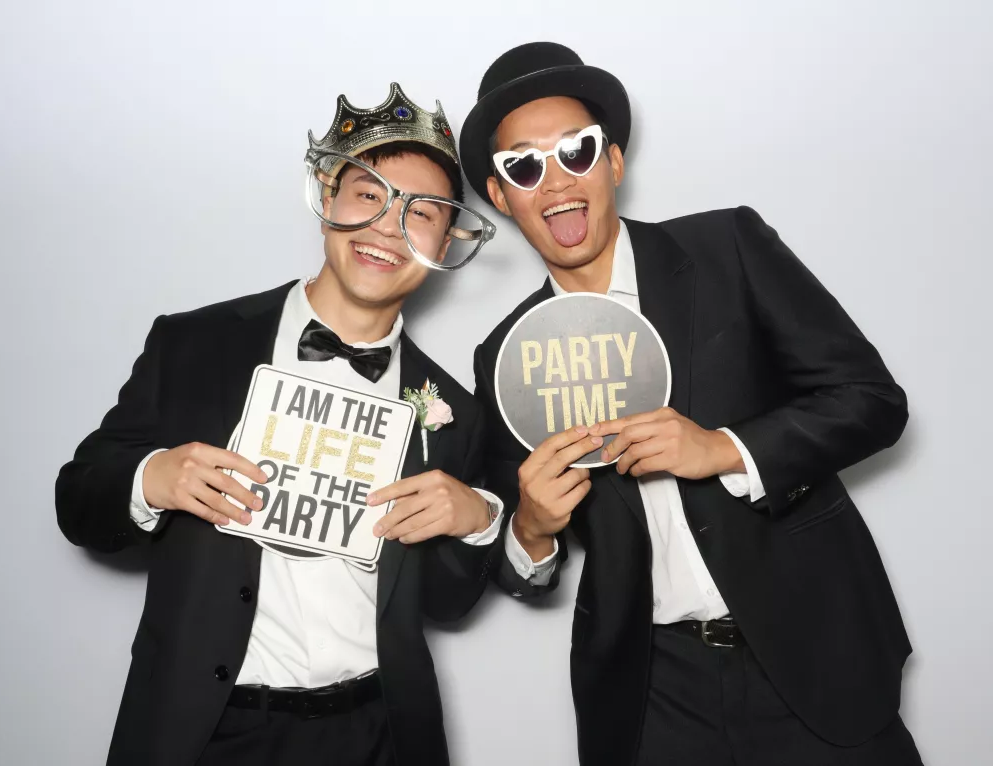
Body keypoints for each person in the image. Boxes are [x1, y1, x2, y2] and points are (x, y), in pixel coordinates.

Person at [463, 43, 922, 766]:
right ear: (500, 195)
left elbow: (872, 400)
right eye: (524, 167)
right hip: (653, 694)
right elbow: (519, 565)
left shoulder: (725, 247)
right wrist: (532, 529)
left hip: (814, 653)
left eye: (576, 152)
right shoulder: (506, 355)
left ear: (614, 162)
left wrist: (725, 450)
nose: (556, 181)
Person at [56, 82, 502, 766]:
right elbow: (78, 502)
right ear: (327, 200)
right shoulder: (194, 345)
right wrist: (153, 478)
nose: (388, 227)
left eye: (420, 213)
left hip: (379, 734)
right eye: (369, 195)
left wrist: (477, 521)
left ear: (444, 241)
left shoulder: (453, 410)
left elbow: (446, 601)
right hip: (210, 730)